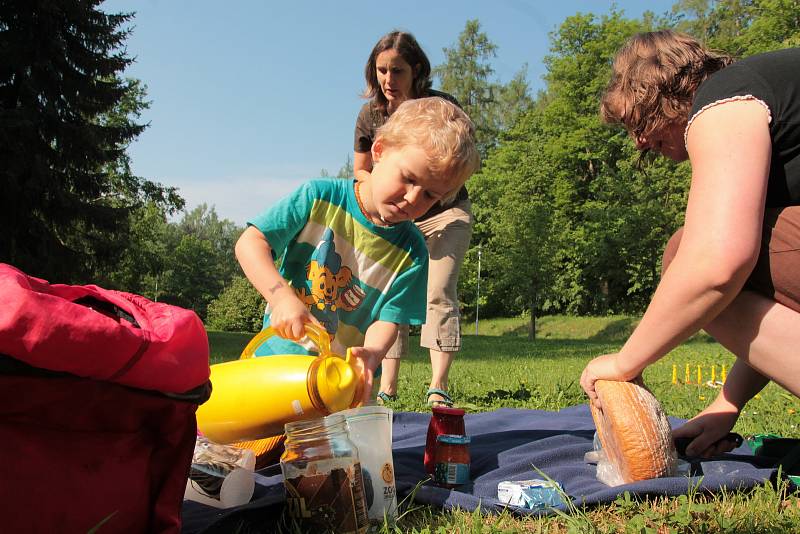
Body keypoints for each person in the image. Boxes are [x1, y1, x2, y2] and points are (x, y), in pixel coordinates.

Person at [580, 30, 800, 458]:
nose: (639, 142)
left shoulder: (725, 97)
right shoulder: (765, 98)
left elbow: (717, 265)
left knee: (686, 254)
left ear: (665, 87)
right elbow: (766, 293)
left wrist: (626, 363)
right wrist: (726, 403)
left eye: (639, 122)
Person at [237, 97, 479, 402]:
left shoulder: (413, 252)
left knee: (335, 451)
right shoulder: (317, 197)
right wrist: (281, 296)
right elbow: (251, 243)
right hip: (275, 365)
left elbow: (388, 319)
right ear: (379, 151)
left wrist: (374, 352)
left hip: (339, 386)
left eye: (430, 195)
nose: (413, 199)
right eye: (408, 178)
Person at [354, 30, 475, 407]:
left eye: (398, 71)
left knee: (438, 292)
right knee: (391, 297)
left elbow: (462, 162)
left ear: (417, 70)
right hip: (396, 220)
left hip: (446, 215)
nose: (389, 80)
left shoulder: (442, 106)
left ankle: (438, 384)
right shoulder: (371, 114)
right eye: (382, 71)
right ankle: (387, 385)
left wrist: (425, 193)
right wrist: (388, 198)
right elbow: (360, 170)